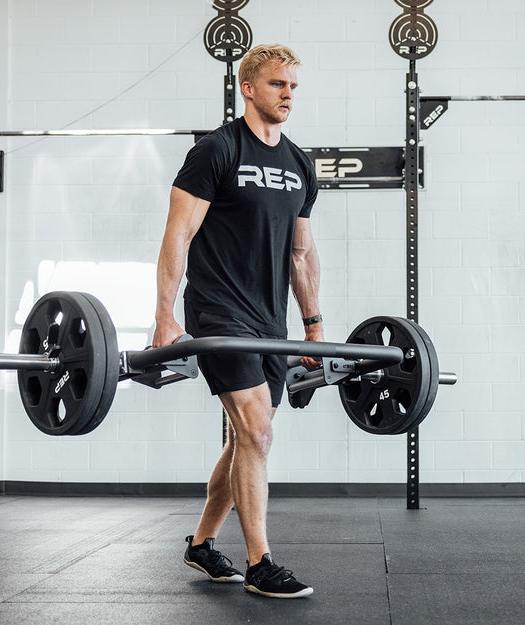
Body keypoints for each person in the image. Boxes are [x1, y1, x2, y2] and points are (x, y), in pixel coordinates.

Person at [153, 44, 321, 599]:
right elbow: (178, 234)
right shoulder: (216, 151)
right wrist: (165, 316)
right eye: (278, 84)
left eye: (293, 86)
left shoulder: (300, 164)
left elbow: (300, 254)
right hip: (218, 311)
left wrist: (314, 329)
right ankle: (260, 563)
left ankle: (201, 546)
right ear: (248, 88)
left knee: (247, 439)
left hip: (269, 319)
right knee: (258, 430)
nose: (288, 94)